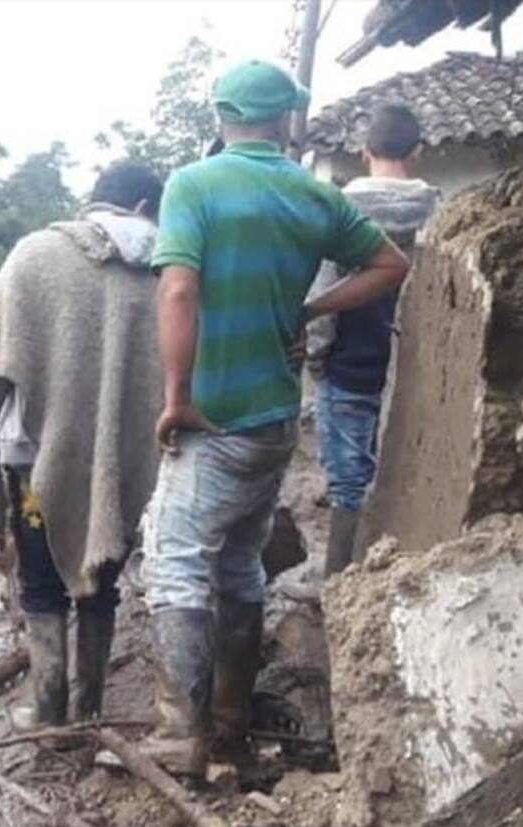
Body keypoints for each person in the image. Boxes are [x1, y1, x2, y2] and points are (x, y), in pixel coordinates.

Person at [141, 60, 411, 776]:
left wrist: (175, 397)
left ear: (221, 115)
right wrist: (312, 307)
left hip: (215, 414)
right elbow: (390, 265)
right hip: (274, 417)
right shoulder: (311, 193)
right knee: (237, 564)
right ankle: (229, 718)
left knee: (173, 564)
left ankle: (179, 733)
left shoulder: (195, 186)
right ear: (285, 119)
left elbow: (177, 292)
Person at [0, 161, 166, 732]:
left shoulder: (36, 254)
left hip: (36, 454)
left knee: (43, 581)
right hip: (126, 460)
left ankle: (48, 709)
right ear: (145, 209)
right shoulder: (171, 267)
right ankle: (89, 707)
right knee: (102, 581)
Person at [307, 104, 440, 575]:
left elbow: (323, 298)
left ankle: (339, 585)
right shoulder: (440, 213)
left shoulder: (342, 213)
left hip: (349, 370)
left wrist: (318, 362)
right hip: (418, 377)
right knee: (406, 473)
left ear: (365, 154)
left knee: (348, 485)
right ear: (418, 153)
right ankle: (397, 572)